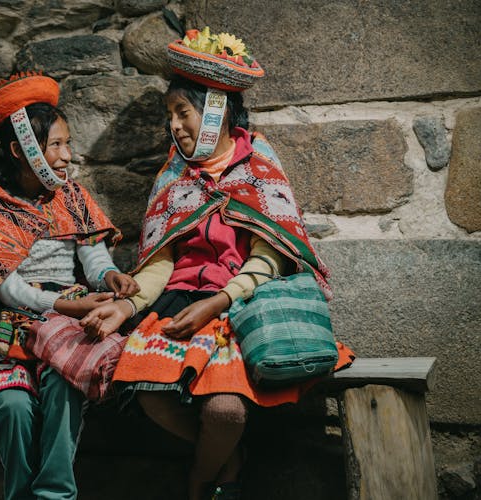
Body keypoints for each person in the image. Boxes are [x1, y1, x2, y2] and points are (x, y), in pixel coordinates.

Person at [81, 27, 355, 500]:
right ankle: (226, 462)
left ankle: (200, 480)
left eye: (182, 113)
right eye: (170, 116)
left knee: (225, 412)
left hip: (234, 307)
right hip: (175, 304)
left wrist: (220, 301)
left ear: (214, 111)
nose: (174, 126)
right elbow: (159, 262)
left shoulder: (259, 169)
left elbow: (271, 257)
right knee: (150, 394)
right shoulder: (174, 177)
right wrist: (125, 309)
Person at [0, 72, 139, 500]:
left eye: (68, 143)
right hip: (2, 321)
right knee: (12, 406)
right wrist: (69, 306)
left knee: (67, 384)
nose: (67, 156)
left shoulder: (72, 196)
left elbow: (92, 255)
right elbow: (8, 290)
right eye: (56, 145)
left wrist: (108, 276)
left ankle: (54, 494)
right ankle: (19, 493)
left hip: (64, 313)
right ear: (20, 149)